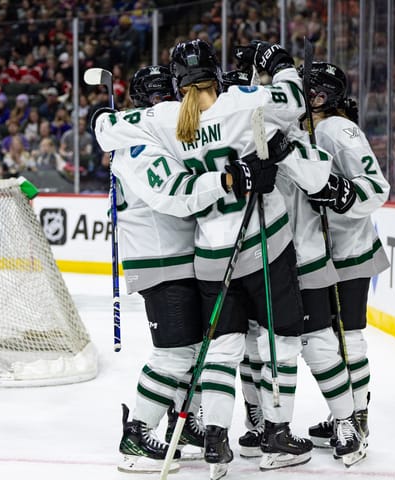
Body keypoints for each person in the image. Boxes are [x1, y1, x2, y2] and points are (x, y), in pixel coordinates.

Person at [94, 39, 329, 478]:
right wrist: (279, 64)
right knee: (279, 339)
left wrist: (99, 119)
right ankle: (275, 432)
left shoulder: (162, 120)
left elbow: (108, 126)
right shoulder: (240, 102)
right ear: (215, 74)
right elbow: (294, 100)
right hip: (261, 240)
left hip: (207, 250)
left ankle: (215, 437)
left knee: (218, 347)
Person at [111, 65, 217, 474]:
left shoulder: (153, 136)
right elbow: (175, 196)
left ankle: (185, 426)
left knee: (192, 352)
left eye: (166, 96)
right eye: (153, 99)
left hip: (171, 258)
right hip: (160, 262)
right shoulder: (138, 145)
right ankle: (137, 433)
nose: (162, 105)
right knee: (174, 355)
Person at [300, 61, 390, 456]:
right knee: (334, 339)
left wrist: (339, 193)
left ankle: (356, 419)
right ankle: (347, 415)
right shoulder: (314, 129)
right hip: (329, 250)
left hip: (349, 250)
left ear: (320, 96)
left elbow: (376, 186)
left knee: (348, 338)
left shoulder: (337, 129)